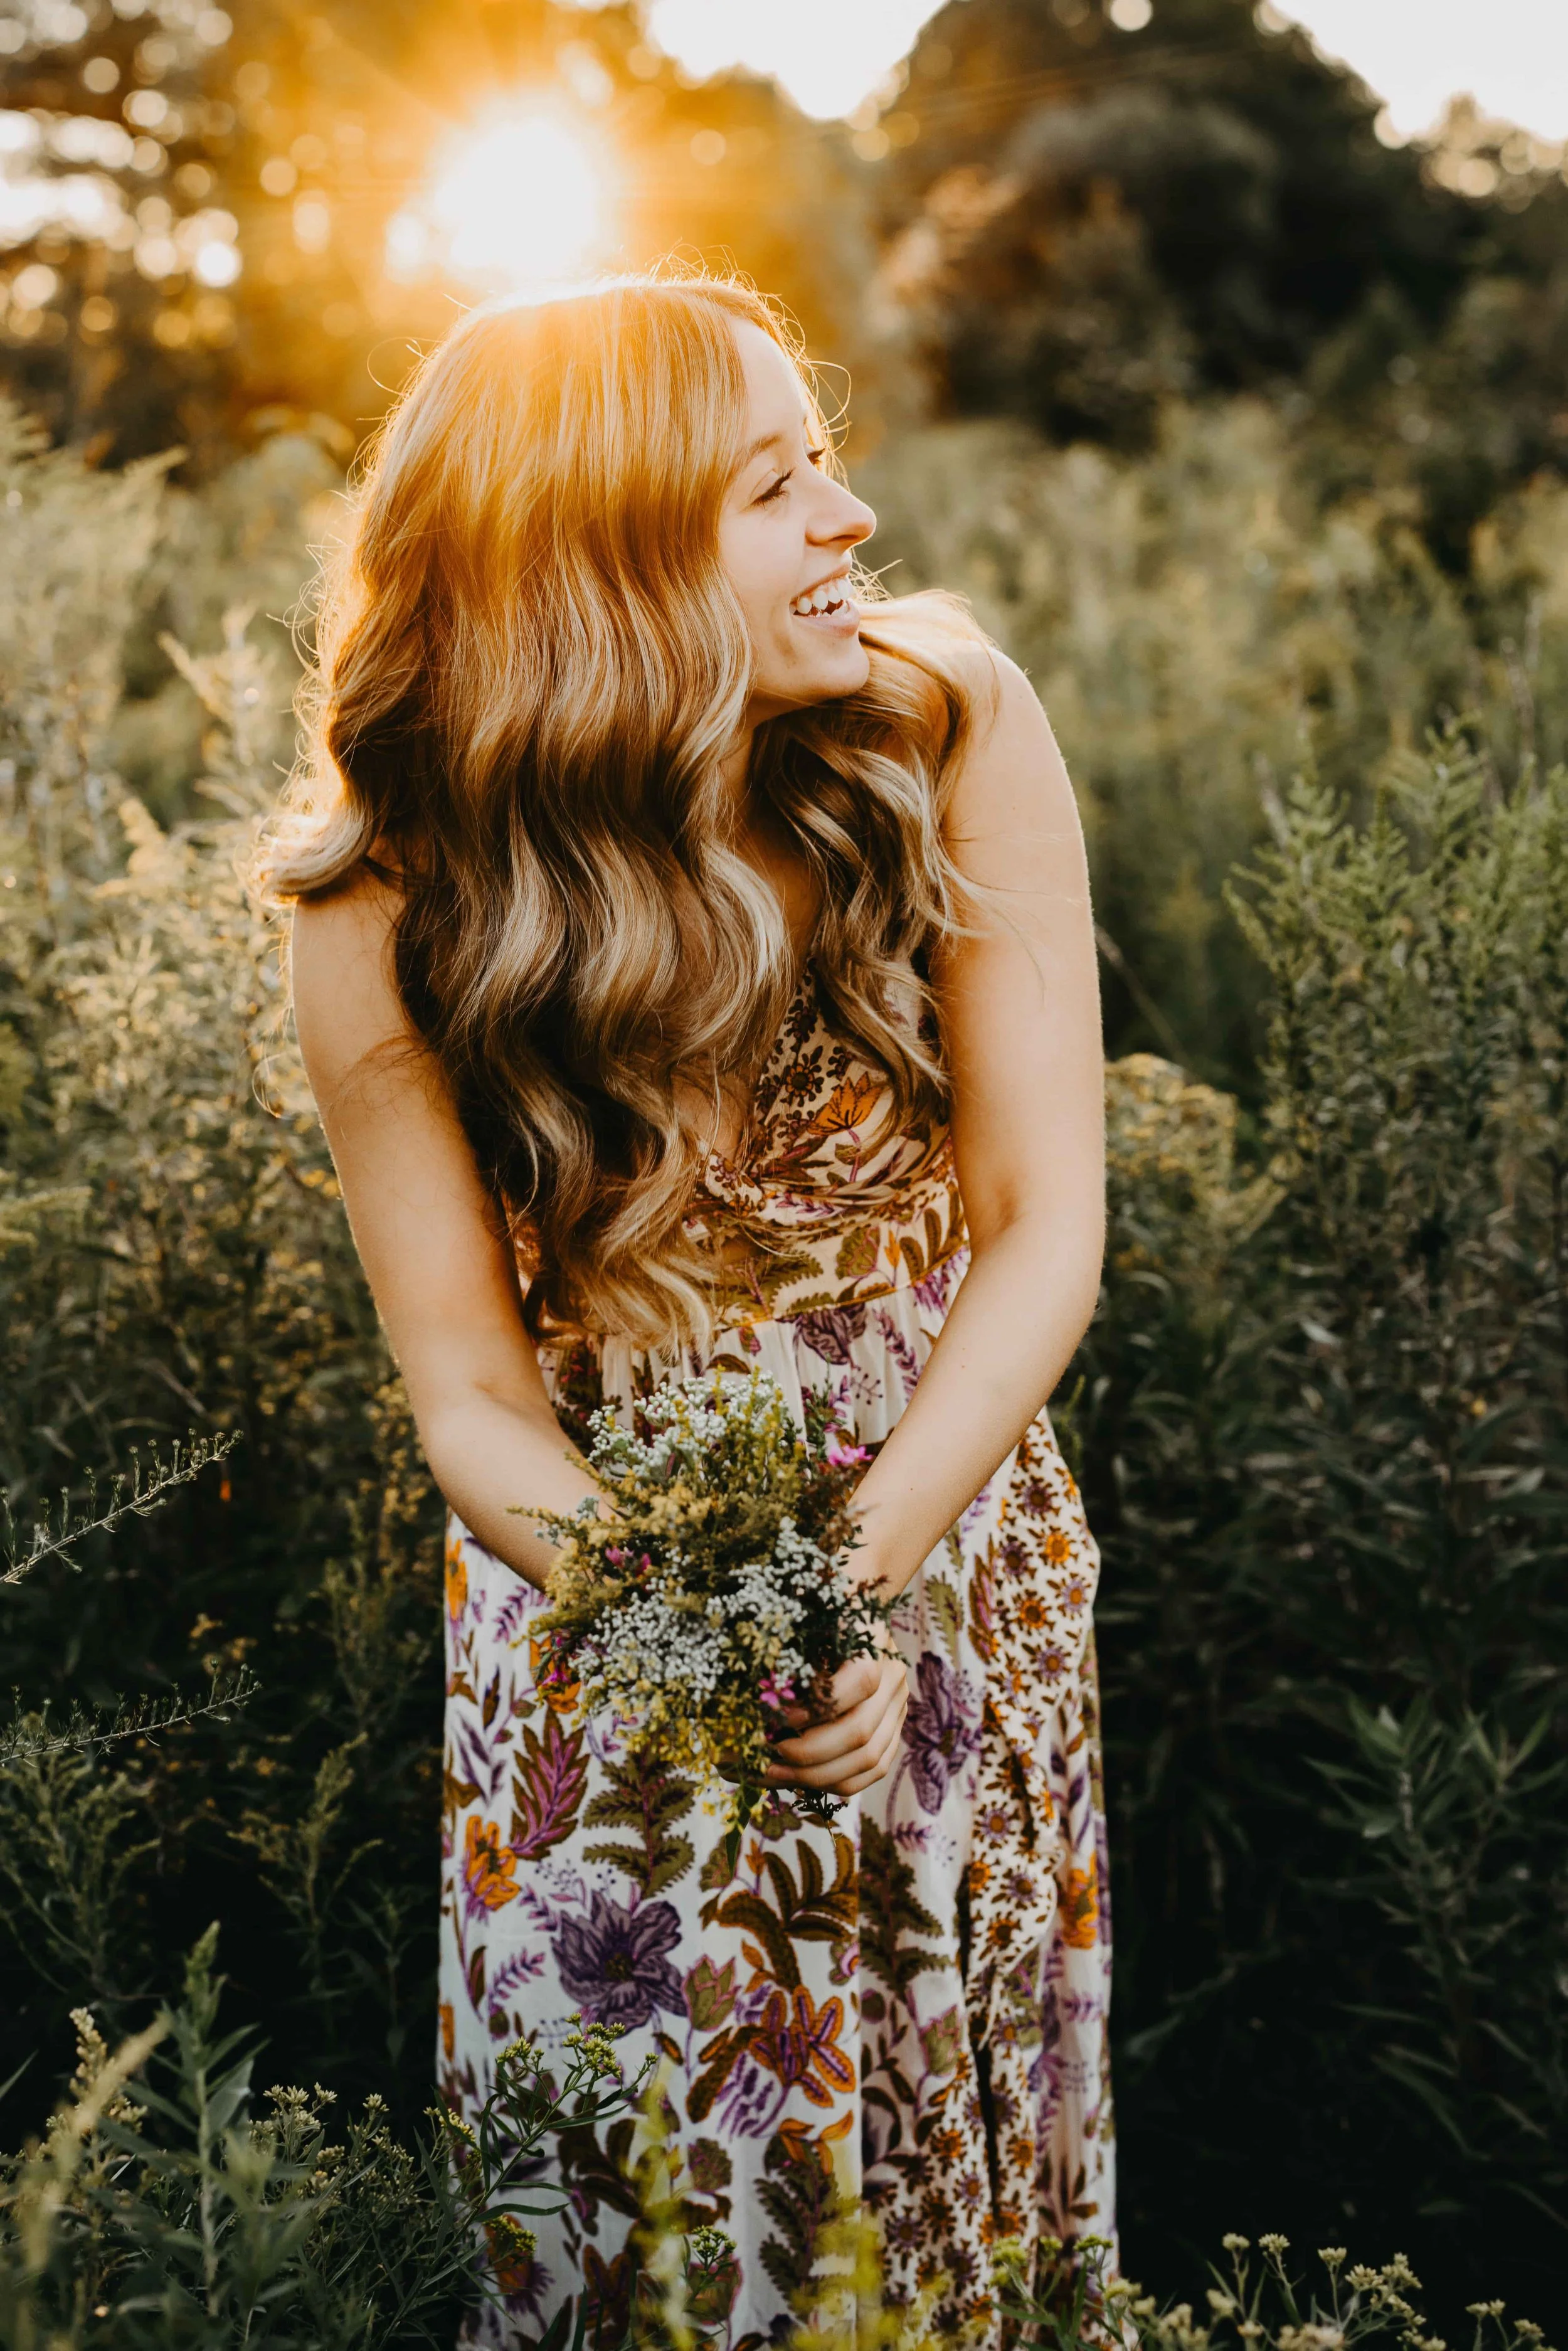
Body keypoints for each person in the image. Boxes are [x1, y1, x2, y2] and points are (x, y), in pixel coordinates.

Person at [271, 270, 1110, 2348]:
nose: (847, 517)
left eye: (820, 462)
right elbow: (467, 1393)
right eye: (771, 485)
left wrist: (855, 1577)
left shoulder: (942, 726)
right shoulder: (384, 896)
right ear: (605, 561)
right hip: (597, 1621)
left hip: (943, 1539)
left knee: (934, 2210)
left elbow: (1040, 1225)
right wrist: (687, 1615)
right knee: (632, 2225)